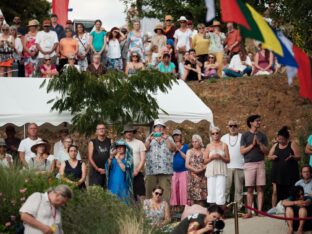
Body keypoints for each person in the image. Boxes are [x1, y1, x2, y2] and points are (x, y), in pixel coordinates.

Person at [240, 114, 269, 218]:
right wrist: (252, 145)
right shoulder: (245, 135)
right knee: (250, 189)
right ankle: (249, 212)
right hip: (249, 164)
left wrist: (259, 144)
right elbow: (242, 151)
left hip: (260, 163)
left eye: (260, 121)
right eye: (257, 121)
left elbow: (267, 151)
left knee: (260, 188)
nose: (259, 122)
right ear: (251, 123)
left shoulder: (263, 135)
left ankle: (260, 211)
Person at [145, 119, 176, 203]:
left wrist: (166, 139)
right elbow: (145, 149)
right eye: (157, 127)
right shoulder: (149, 138)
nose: (159, 128)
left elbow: (173, 149)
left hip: (165, 170)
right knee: (149, 193)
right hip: (151, 170)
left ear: (164, 128)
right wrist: (149, 140)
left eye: (161, 127)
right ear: (154, 128)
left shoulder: (169, 137)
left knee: (165, 194)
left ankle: (166, 214)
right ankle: (149, 213)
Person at [268, 126, 300, 207]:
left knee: (290, 191)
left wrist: (292, 157)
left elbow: (299, 157)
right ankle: (274, 208)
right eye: (279, 139)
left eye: (282, 139)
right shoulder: (275, 145)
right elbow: (269, 156)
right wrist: (272, 157)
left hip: (290, 173)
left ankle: (291, 207)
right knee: (275, 191)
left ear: (287, 138)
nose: (281, 141)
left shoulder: (292, 144)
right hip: (277, 173)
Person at [204, 127, 230, 207]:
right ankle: (213, 214)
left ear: (219, 134)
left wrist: (221, 157)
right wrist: (212, 158)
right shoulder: (208, 146)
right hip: (211, 171)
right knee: (211, 192)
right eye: (213, 133)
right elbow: (205, 161)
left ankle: (221, 214)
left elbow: (228, 160)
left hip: (221, 171)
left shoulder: (224, 145)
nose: (215, 135)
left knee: (221, 192)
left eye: (217, 133)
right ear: (211, 135)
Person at [221, 120, 244, 209]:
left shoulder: (242, 137)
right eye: (231, 126)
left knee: (239, 190)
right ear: (228, 127)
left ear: (238, 127)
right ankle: (224, 210)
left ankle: (237, 210)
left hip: (240, 166)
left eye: (235, 125)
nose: (233, 127)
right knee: (226, 189)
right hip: (227, 167)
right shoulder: (223, 138)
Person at [123, 125, 146, 201]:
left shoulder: (140, 143)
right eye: (127, 132)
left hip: (137, 173)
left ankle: (141, 212)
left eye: (130, 131)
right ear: (124, 133)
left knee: (141, 194)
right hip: (124, 173)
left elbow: (143, 159)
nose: (129, 133)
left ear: (133, 132)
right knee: (127, 195)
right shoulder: (121, 144)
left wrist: (137, 170)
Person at [185, 134, 207, 206]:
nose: (194, 143)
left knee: (202, 197)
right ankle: (193, 214)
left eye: (196, 141)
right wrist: (195, 170)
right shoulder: (189, 151)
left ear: (200, 142)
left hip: (202, 177)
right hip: (192, 177)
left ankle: (201, 214)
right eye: (193, 142)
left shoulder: (204, 151)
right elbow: (187, 165)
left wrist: (202, 169)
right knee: (193, 197)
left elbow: (207, 162)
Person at [88, 123, 111, 188]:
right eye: (99, 129)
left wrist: (106, 169)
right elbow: (90, 158)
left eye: (103, 128)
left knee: (108, 192)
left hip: (108, 171)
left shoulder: (110, 141)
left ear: (105, 130)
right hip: (96, 172)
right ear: (96, 131)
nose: (101, 130)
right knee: (96, 193)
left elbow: (112, 156)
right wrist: (97, 169)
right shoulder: (92, 142)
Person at [170, 129, 189, 210]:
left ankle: (184, 208)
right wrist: (174, 151)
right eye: (175, 135)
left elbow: (187, 158)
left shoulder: (185, 146)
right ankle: (176, 208)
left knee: (183, 190)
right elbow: (169, 159)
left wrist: (179, 150)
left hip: (184, 171)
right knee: (174, 190)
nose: (176, 137)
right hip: (174, 172)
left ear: (181, 136)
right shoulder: (170, 146)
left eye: (178, 135)